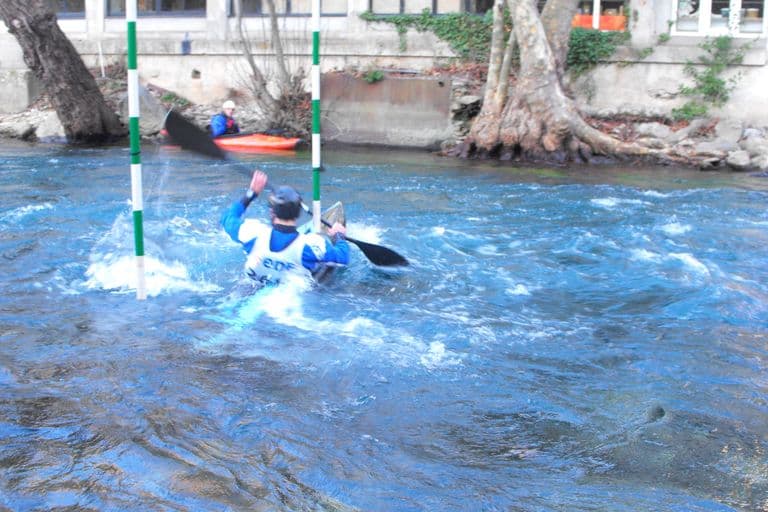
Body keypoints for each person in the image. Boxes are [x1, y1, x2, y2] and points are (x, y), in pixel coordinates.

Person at [221, 170, 349, 287]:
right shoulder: (312, 244)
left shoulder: (252, 232)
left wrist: (252, 193)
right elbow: (343, 258)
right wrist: (339, 236)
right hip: (290, 298)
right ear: (298, 213)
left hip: (250, 287)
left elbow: (227, 218)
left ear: (272, 212)